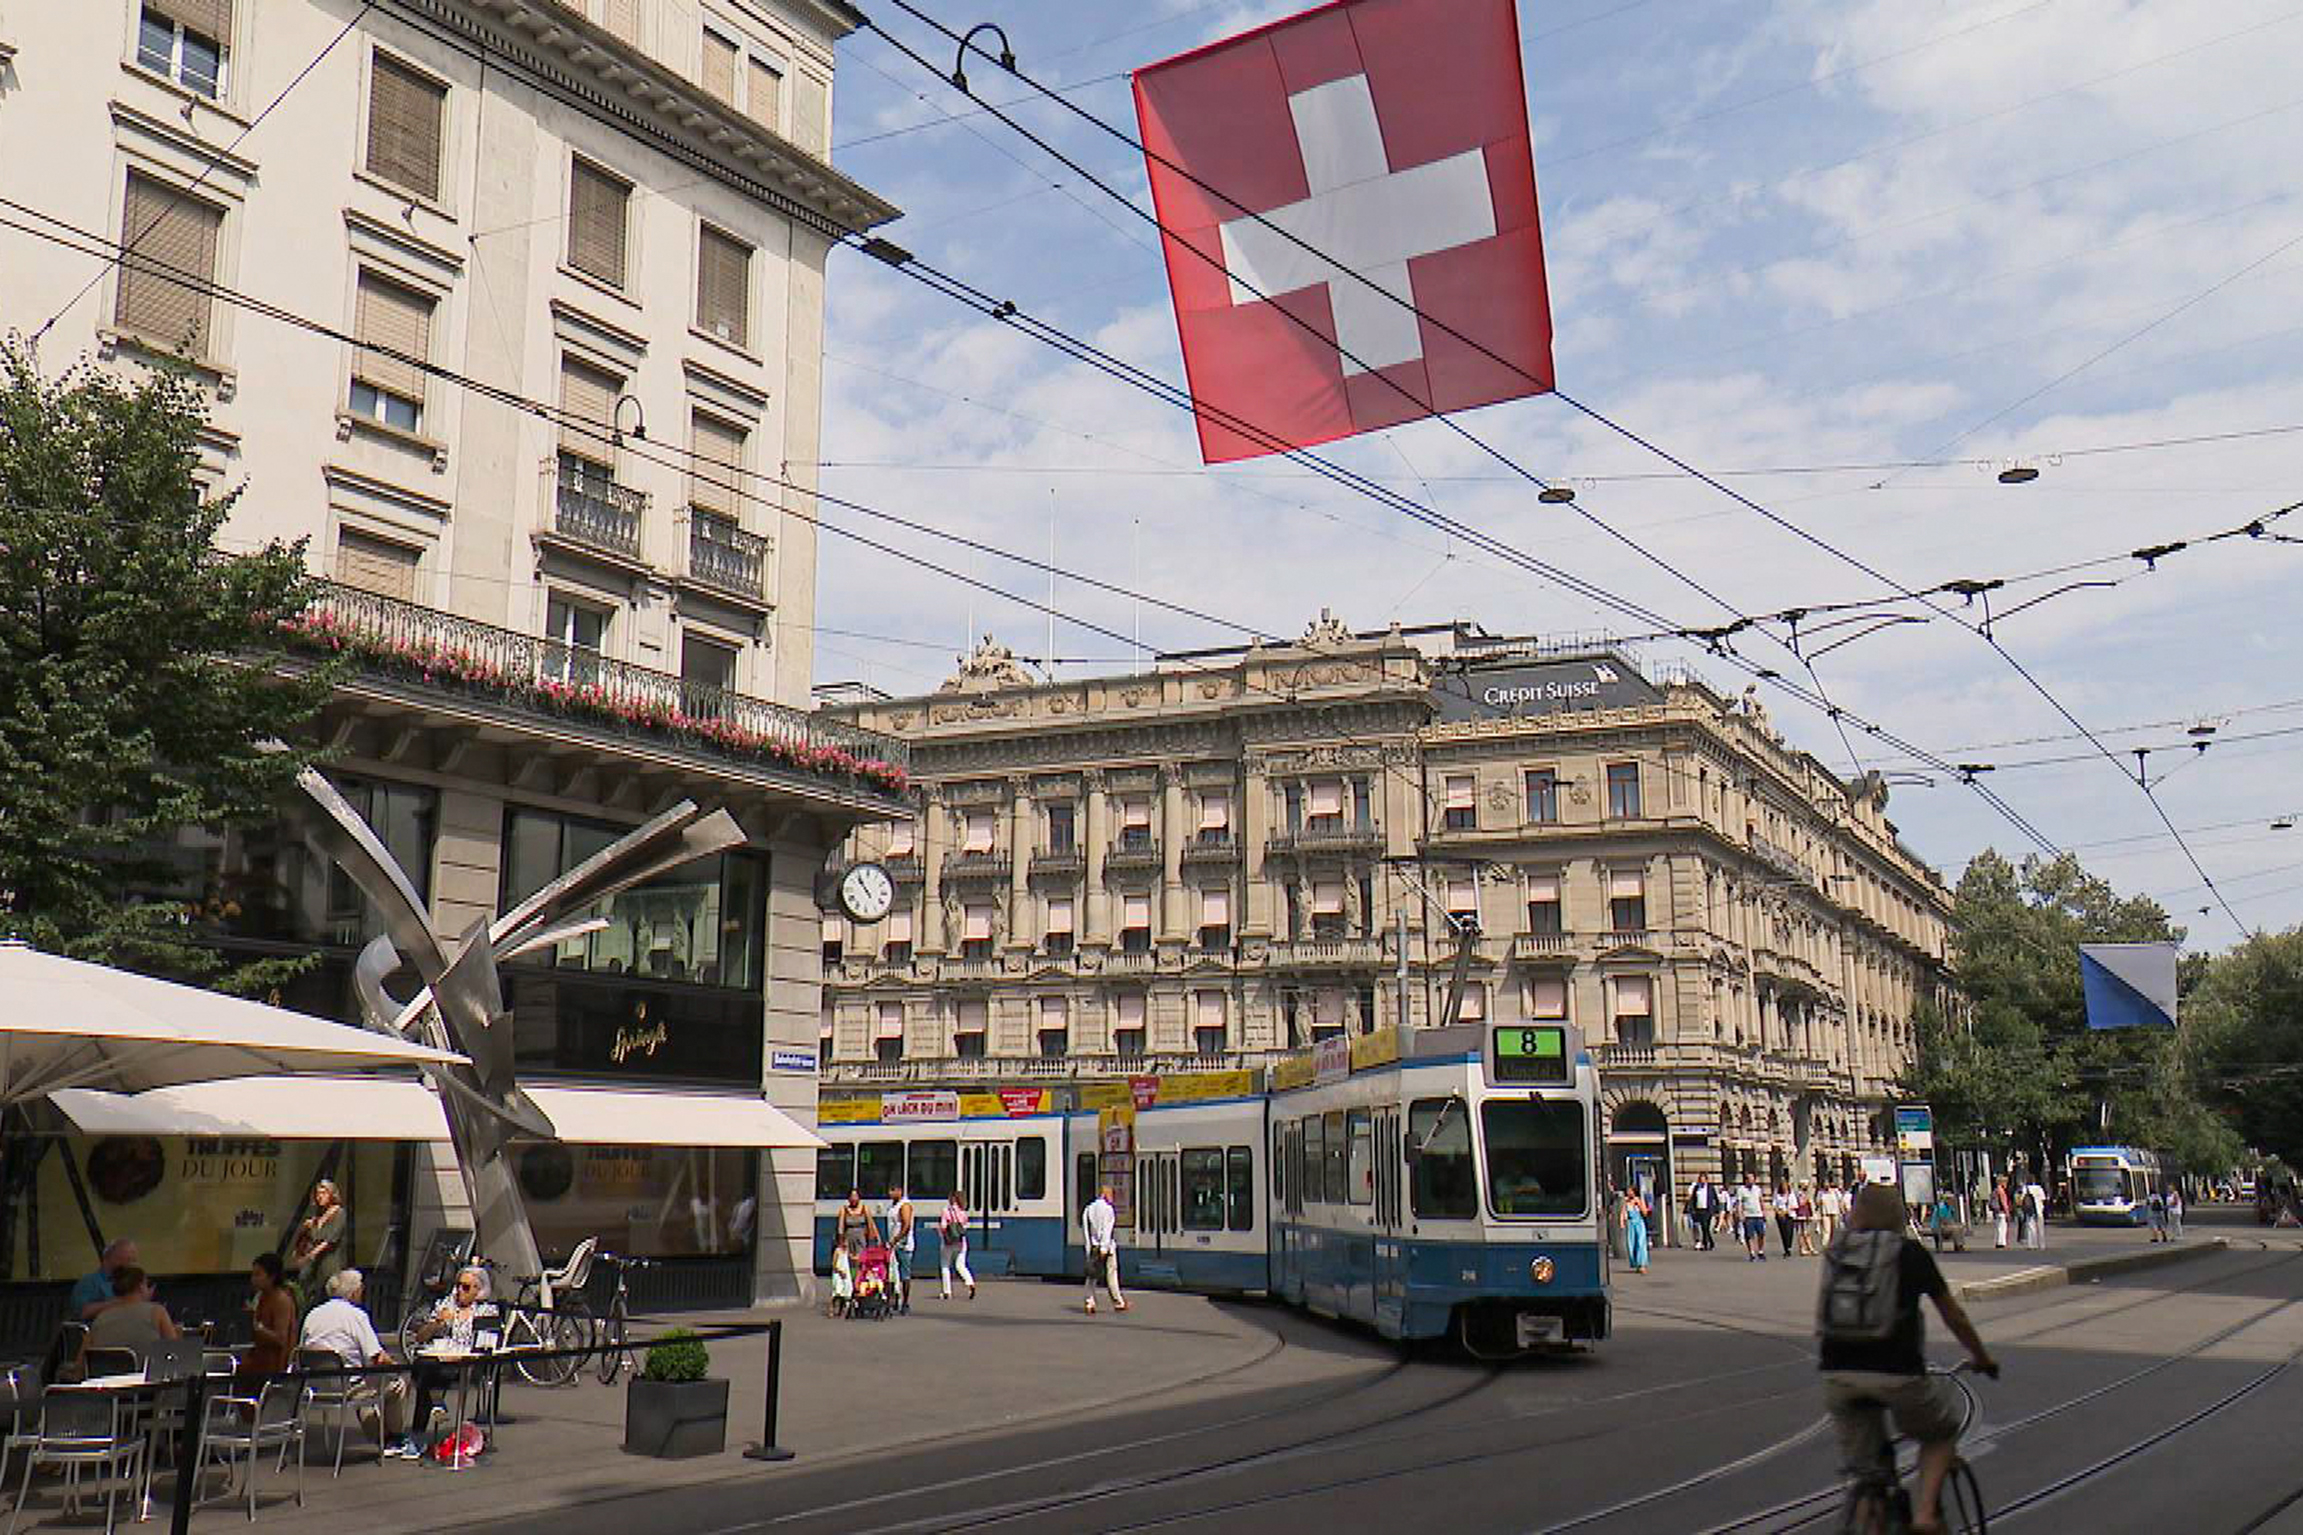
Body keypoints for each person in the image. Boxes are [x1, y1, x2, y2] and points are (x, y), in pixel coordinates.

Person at [1819, 1184, 2000, 1534]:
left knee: (1865, 1472)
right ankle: (1926, 1515)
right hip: (1897, 1373)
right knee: (1941, 1432)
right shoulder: (1909, 1253)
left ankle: (1867, 1512)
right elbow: (1954, 1316)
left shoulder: (1836, 1251)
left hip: (1837, 1375)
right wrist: (1982, 1357)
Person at [301, 1268, 414, 1457]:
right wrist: (397, 1366)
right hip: (348, 1385)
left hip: (316, 1386)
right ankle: (395, 1438)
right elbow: (376, 1356)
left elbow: (302, 1349)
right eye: (362, 1288)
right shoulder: (356, 1316)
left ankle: (382, 1437)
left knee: (364, 1386)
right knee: (395, 1384)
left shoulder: (312, 1315)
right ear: (353, 1292)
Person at [402, 1266, 493, 1457]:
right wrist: (437, 1323)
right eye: (458, 1286)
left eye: (466, 1287)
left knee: (426, 1376)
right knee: (422, 1365)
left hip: (467, 1363)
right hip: (439, 1361)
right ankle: (435, 1405)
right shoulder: (445, 1305)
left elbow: (488, 1343)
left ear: (479, 1290)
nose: (460, 1291)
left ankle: (418, 1435)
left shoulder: (485, 1311)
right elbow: (420, 1338)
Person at [79, 1266, 180, 1366]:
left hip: (106, 1379)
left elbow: (81, 1364)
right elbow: (174, 1355)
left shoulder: (100, 1319)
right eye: (146, 1284)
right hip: (144, 1379)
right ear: (140, 1287)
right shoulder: (157, 1312)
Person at [237, 1252, 300, 1385]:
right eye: (253, 1275)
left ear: (272, 1276)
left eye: (258, 1274)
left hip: (274, 1366)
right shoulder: (262, 1297)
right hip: (259, 1359)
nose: (253, 1279)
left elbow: (281, 1339)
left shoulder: (281, 1300)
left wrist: (258, 1328)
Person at [286, 1179, 348, 1303]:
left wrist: (310, 1255)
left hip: (328, 1261)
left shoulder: (339, 1213)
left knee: (328, 1292)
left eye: (323, 1193)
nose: (320, 1197)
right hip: (313, 1265)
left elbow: (330, 1239)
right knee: (308, 1291)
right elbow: (307, 1238)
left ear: (331, 1194)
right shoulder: (317, 1216)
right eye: (318, 1193)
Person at [69, 1238, 140, 1322]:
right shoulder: (89, 1282)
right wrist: (121, 1302)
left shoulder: (134, 1283)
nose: (131, 1265)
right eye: (127, 1260)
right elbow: (82, 1312)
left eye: (133, 1261)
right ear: (108, 1258)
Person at [1082, 1184, 1127, 1314]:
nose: (1112, 1198)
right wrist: (1104, 1248)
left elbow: (1086, 1231)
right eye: (1111, 1195)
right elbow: (1107, 1230)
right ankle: (1118, 1301)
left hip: (1093, 1247)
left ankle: (1089, 1302)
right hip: (1106, 1248)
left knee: (1092, 1276)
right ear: (1105, 1195)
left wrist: (1088, 1248)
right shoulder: (1108, 1210)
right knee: (1111, 1273)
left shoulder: (1088, 1209)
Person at [939, 1191, 976, 1300]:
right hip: (961, 1242)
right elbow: (964, 1227)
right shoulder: (963, 1212)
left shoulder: (946, 1211)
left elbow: (943, 1226)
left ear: (952, 1199)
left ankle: (947, 1292)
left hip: (948, 1242)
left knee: (945, 1266)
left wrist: (942, 1233)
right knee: (960, 1265)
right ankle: (970, 1283)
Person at [886, 1182, 916, 1315]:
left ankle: (905, 1302)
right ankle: (894, 1300)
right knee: (892, 1274)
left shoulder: (905, 1205)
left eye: (892, 1190)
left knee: (904, 1274)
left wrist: (896, 1239)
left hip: (903, 1246)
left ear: (900, 1191)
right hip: (894, 1245)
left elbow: (907, 1225)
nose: (890, 1194)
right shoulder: (894, 1205)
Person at [1621, 1186, 1651, 1274]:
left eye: (1630, 1191)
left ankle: (1642, 1264)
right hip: (1630, 1224)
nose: (1628, 1193)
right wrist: (1622, 1222)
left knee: (1641, 1243)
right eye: (1628, 1191)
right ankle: (1636, 1264)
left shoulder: (1638, 1200)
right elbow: (1623, 1213)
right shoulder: (1626, 1202)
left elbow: (1645, 1213)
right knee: (1631, 1244)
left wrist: (1639, 1205)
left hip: (1639, 1223)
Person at [1738, 1176, 1768, 1260]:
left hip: (1758, 1215)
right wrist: (1740, 1214)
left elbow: (1761, 1200)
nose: (1751, 1181)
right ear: (1746, 1180)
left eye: (1752, 1180)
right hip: (1748, 1215)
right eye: (1749, 1179)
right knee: (1749, 1235)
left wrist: (1764, 1212)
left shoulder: (1757, 1189)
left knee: (1761, 1234)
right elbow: (1739, 1203)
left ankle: (1760, 1251)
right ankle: (1751, 1252)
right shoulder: (1741, 1190)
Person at [1689, 1176, 1717, 1252]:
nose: (1702, 1182)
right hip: (1699, 1210)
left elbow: (1715, 1198)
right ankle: (1709, 1243)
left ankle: (1707, 1243)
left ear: (1706, 1180)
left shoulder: (1710, 1188)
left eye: (1703, 1180)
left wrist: (1715, 1210)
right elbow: (1693, 1199)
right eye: (1701, 1180)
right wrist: (1692, 1208)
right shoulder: (1696, 1188)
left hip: (1708, 1210)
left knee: (1705, 1226)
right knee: (1704, 1227)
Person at [1774, 1181, 1799, 1257]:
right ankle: (1786, 1248)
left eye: (1785, 1186)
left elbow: (1795, 1205)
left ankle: (1789, 1247)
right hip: (1780, 1215)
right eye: (1783, 1186)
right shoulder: (1778, 1195)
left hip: (1789, 1215)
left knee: (1789, 1232)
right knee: (1783, 1232)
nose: (1784, 1188)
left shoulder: (1791, 1195)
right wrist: (1778, 1211)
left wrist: (1787, 1210)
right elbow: (1774, 1204)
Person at [2023, 1178, 2049, 1250]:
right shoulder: (2039, 1188)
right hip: (2039, 1209)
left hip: (2030, 1210)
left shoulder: (2025, 1188)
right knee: (2041, 1228)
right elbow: (2043, 1199)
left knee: (2031, 1227)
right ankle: (2041, 1244)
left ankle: (2032, 1244)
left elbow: (2022, 1199)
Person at [1796, 1182, 1819, 1257]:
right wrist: (1807, 1200)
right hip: (1801, 1214)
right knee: (1802, 1232)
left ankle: (1809, 1248)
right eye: (1805, 1186)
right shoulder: (1799, 1194)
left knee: (1806, 1232)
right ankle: (1803, 1248)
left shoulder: (1804, 1194)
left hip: (1806, 1214)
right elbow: (1800, 1203)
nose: (1806, 1187)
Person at [1990, 1178, 2011, 1249]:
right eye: (2005, 1182)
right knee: (2003, 1227)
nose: (2006, 1184)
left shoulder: (1995, 1190)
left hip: (1996, 1211)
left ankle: (1998, 1241)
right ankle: (2002, 1242)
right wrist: (2007, 1211)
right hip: (2001, 1211)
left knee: (1998, 1227)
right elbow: (2003, 1202)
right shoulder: (2001, 1191)